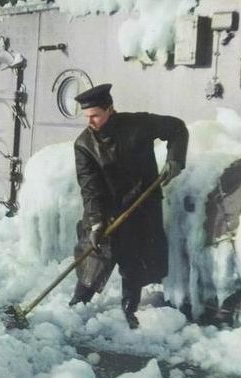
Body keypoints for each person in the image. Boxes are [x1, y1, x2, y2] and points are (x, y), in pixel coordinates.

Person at [69, 83, 188, 329]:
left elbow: (177, 128)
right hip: (108, 209)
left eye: (95, 116)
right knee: (95, 254)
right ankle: (77, 304)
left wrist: (174, 159)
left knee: (135, 261)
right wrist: (96, 222)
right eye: (87, 117)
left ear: (110, 109)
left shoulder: (138, 124)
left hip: (142, 205)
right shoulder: (84, 145)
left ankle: (129, 310)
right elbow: (90, 188)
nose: (90, 122)